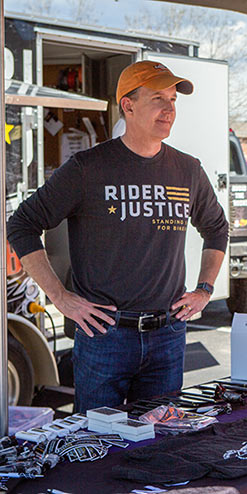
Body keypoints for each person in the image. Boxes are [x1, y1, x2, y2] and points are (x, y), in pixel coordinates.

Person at [7, 60, 229, 413]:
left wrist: (204, 290)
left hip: (167, 335)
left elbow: (217, 228)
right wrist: (61, 298)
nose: (169, 109)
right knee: (96, 447)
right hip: (104, 336)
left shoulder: (187, 169)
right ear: (128, 104)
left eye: (173, 100)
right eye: (158, 98)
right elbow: (22, 225)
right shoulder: (88, 168)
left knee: (157, 447)